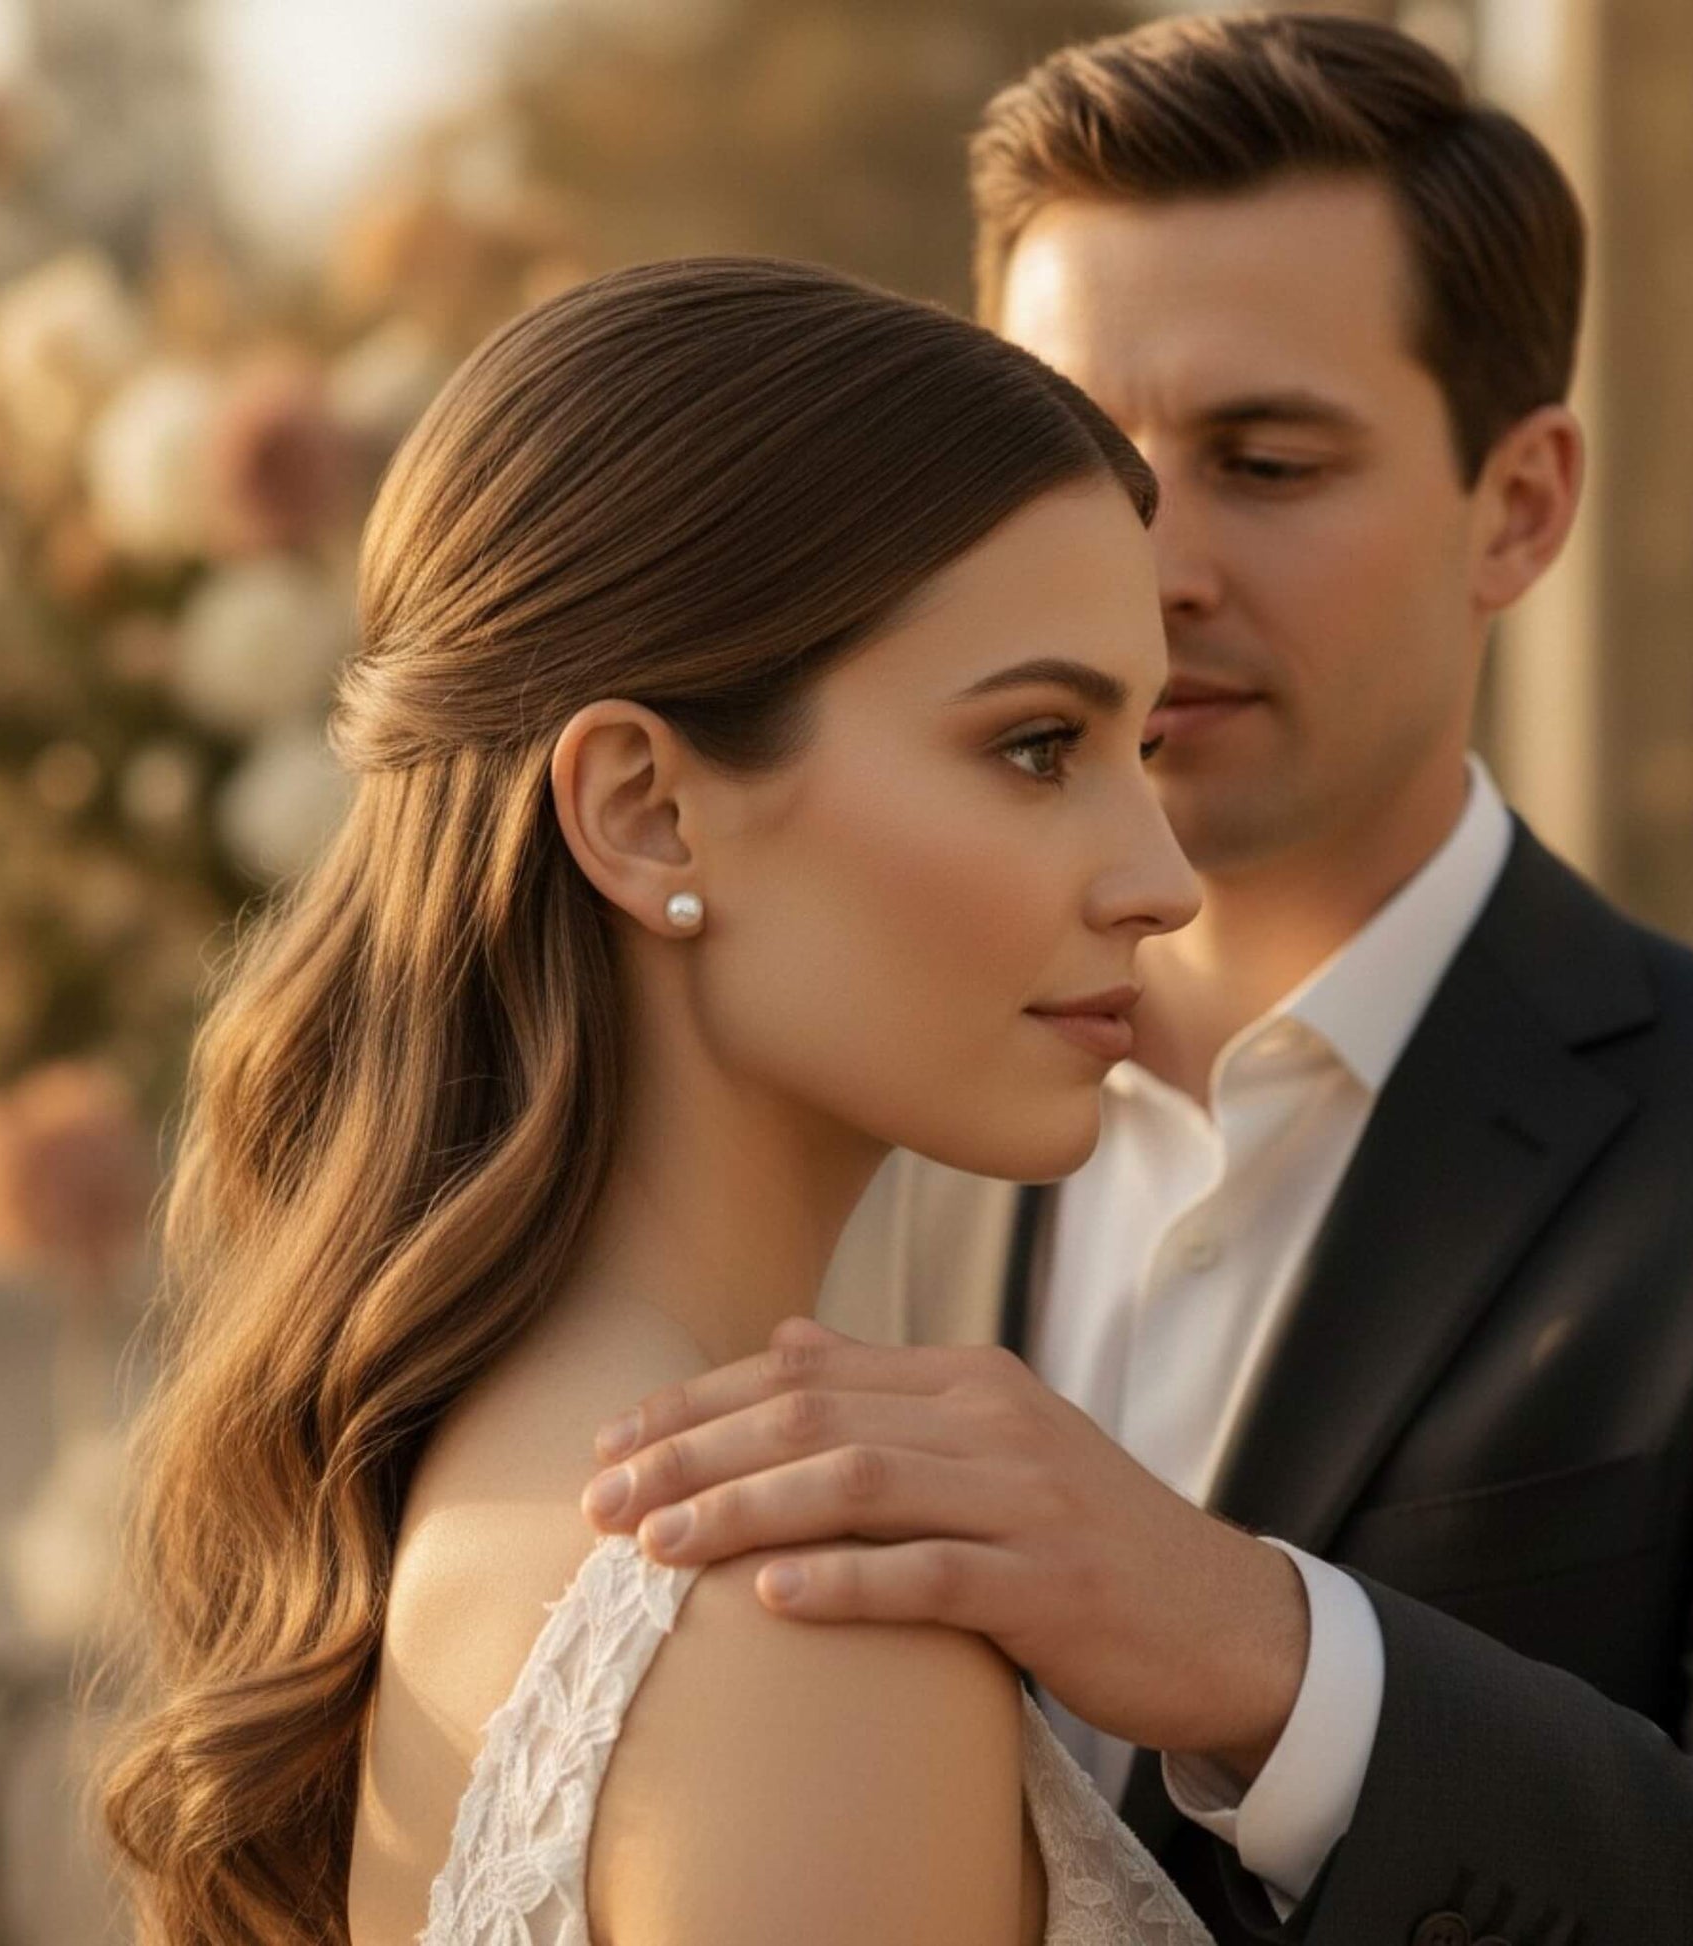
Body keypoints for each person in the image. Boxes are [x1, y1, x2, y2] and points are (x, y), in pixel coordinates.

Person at [576, 16, 1693, 1946]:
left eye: (1262, 459)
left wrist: (1269, 1649)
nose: (1142, 569)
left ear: (1521, 504)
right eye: (1067, 450)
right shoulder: (809, 1101)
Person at [92, 255, 1232, 1946]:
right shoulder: (800, 1606)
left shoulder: (477, 1475)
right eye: (1036, 745)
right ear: (644, 810)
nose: (1161, 878)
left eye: (1143, 749)